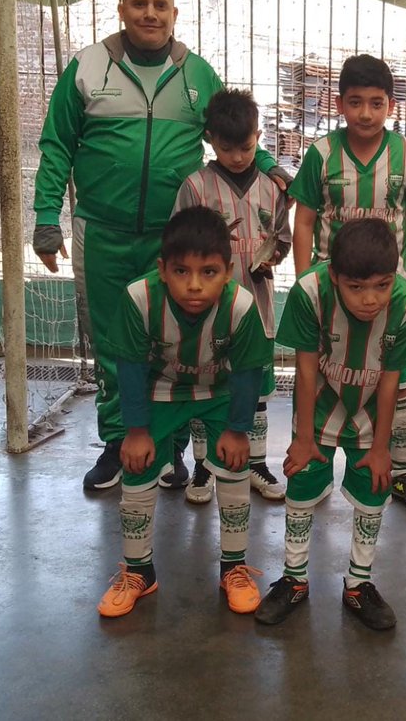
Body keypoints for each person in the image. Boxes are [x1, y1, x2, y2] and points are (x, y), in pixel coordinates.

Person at [32, 0, 291, 492]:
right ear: (122, 11)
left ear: (174, 13)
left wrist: (271, 166)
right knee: (111, 341)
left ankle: (169, 448)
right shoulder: (87, 66)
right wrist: (45, 218)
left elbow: (233, 133)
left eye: (160, 5)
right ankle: (118, 442)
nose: (150, 13)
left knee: (172, 346)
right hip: (101, 232)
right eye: (139, 4)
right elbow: (57, 144)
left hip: (174, 242)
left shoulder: (197, 73)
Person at [96, 206, 272, 617]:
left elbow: (248, 373)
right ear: (162, 269)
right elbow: (129, 368)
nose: (194, 285)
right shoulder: (139, 299)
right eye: (181, 271)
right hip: (160, 389)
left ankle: (234, 568)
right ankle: (139, 571)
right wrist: (135, 431)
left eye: (208, 272)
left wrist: (238, 430)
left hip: (219, 390)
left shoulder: (242, 306)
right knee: (137, 464)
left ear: (228, 272)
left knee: (234, 464)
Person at [255, 218, 406, 630]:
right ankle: (294, 579)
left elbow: (391, 379)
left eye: (382, 285)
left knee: (374, 488)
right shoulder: (310, 292)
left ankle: (358, 584)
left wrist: (382, 448)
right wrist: (303, 437)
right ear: (334, 276)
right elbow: (305, 367)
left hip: (372, 407)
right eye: (356, 287)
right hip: (320, 402)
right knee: (301, 480)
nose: (371, 299)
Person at [287, 53, 406, 515]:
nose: (366, 113)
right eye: (355, 102)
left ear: (391, 104)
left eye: (376, 103)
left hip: (386, 288)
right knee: (321, 373)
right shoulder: (321, 154)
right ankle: (311, 458)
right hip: (336, 288)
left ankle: (398, 470)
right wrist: (305, 278)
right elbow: (304, 220)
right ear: (339, 104)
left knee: (395, 380)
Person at [173, 88, 291, 504]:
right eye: (227, 148)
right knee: (208, 389)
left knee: (254, 391)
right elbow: (178, 245)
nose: (238, 157)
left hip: (256, 310)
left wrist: (272, 256)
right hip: (207, 313)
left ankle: (256, 462)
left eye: (246, 147)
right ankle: (204, 466)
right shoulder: (196, 187)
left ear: (258, 137)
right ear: (210, 140)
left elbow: (282, 238)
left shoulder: (273, 189)